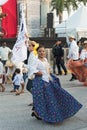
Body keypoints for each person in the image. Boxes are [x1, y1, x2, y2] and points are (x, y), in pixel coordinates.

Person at [31, 45, 82, 123]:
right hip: (42, 82)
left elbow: (48, 69)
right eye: (40, 51)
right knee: (48, 98)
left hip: (49, 80)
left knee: (58, 95)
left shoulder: (45, 59)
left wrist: (50, 72)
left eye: (43, 51)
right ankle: (44, 113)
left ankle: (38, 112)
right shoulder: (35, 61)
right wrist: (38, 72)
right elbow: (32, 70)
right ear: (37, 52)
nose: (42, 53)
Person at [24, 40, 37, 105]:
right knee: (31, 88)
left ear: (33, 47)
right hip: (31, 74)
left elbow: (31, 66)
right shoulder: (32, 53)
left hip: (32, 75)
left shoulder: (33, 54)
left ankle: (37, 99)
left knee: (28, 87)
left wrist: (23, 65)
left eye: (29, 46)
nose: (28, 47)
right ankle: (35, 100)